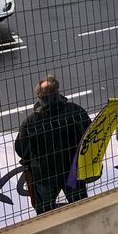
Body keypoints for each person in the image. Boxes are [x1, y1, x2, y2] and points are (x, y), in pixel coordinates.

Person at [14, 75, 91, 215]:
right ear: (57, 91)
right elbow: (89, 135)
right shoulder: (74, 111)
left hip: (44, 174)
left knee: (45, 213)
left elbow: (21, 149)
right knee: (81, 208)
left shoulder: (31, 122)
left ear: (39, 96)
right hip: (72, 170)